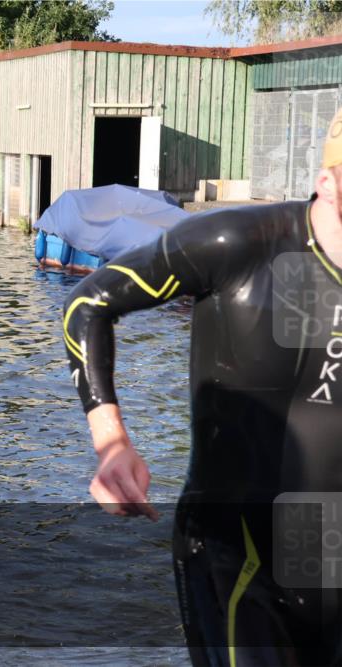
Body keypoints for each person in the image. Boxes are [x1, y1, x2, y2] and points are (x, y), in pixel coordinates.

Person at [63, 107, 342, 666]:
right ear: (328, 182)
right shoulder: (236, 243)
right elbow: (89, 303)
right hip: (234, 553)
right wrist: (112, 442)